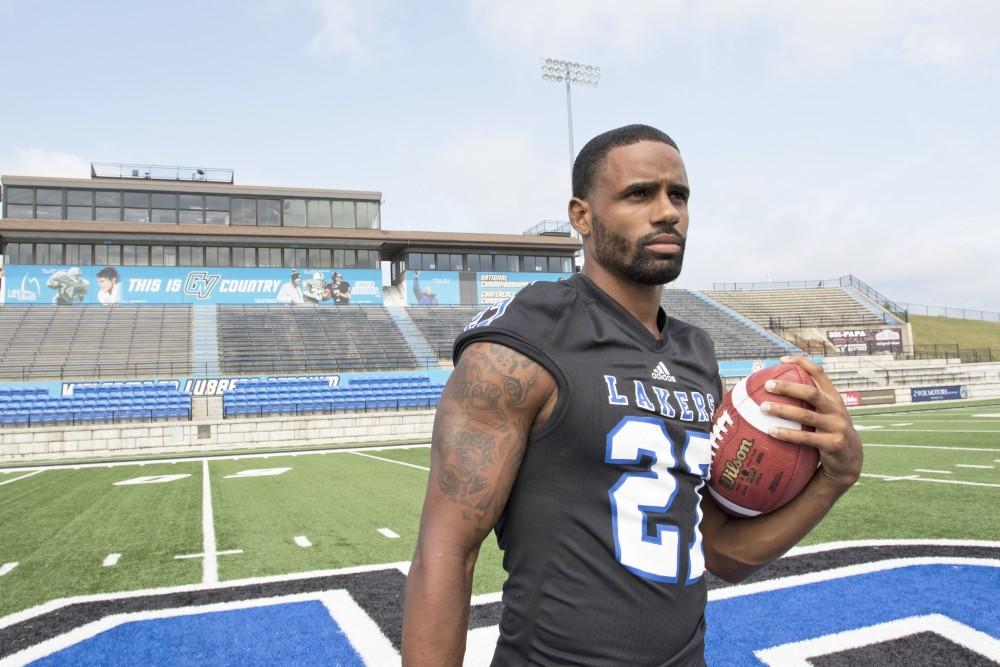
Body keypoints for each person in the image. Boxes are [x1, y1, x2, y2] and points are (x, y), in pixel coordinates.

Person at [402, 124, 862, 666]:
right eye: (639, 193)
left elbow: (722, 552)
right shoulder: (524, 342)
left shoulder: (696, 353)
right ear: (581, 216)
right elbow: (445, 554)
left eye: (679, 195)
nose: (667, 211)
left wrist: (835, 479)